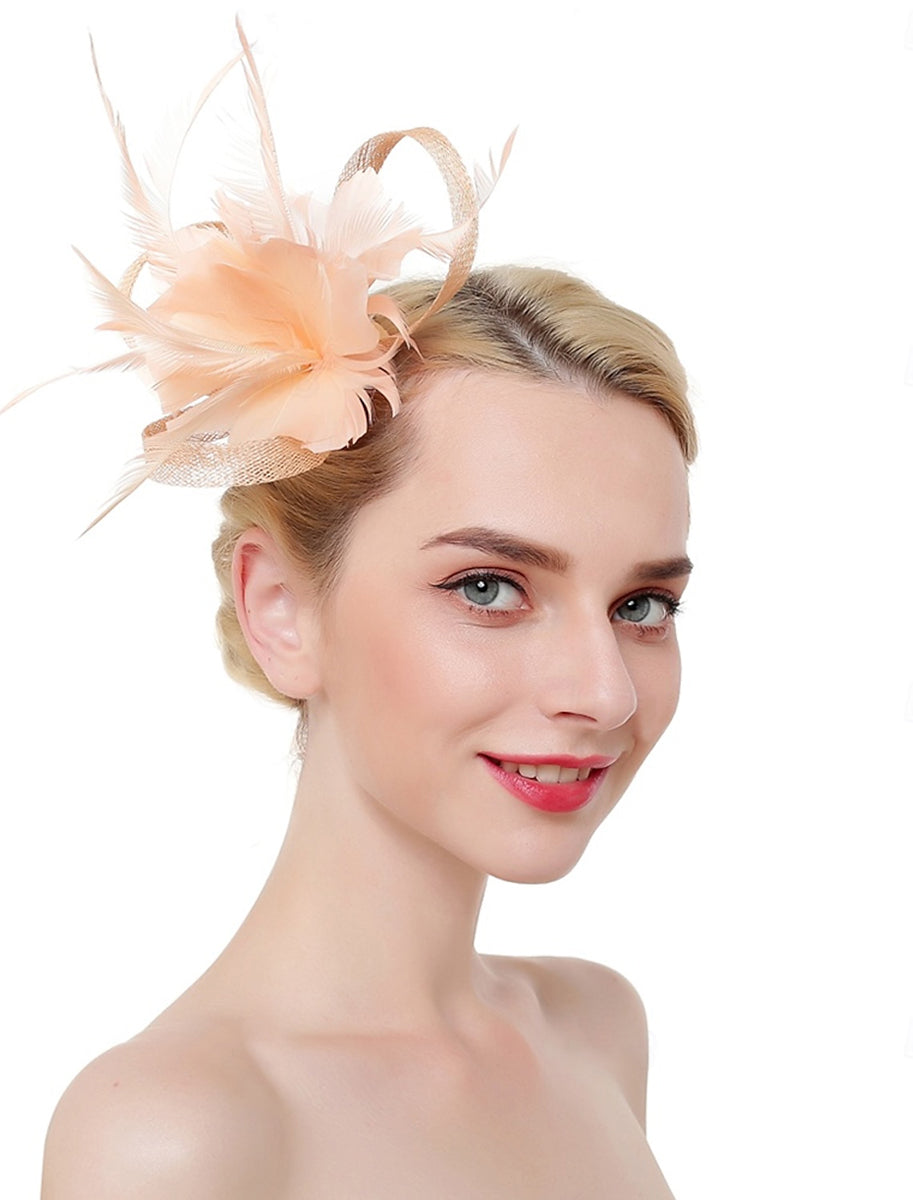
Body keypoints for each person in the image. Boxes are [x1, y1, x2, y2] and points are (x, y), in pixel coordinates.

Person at [34, 25, 696, 1200]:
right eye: (489, 587)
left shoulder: (596, 1032)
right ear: (281, 610)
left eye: (642, 603)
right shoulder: (175, 1139)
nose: (603, 692)